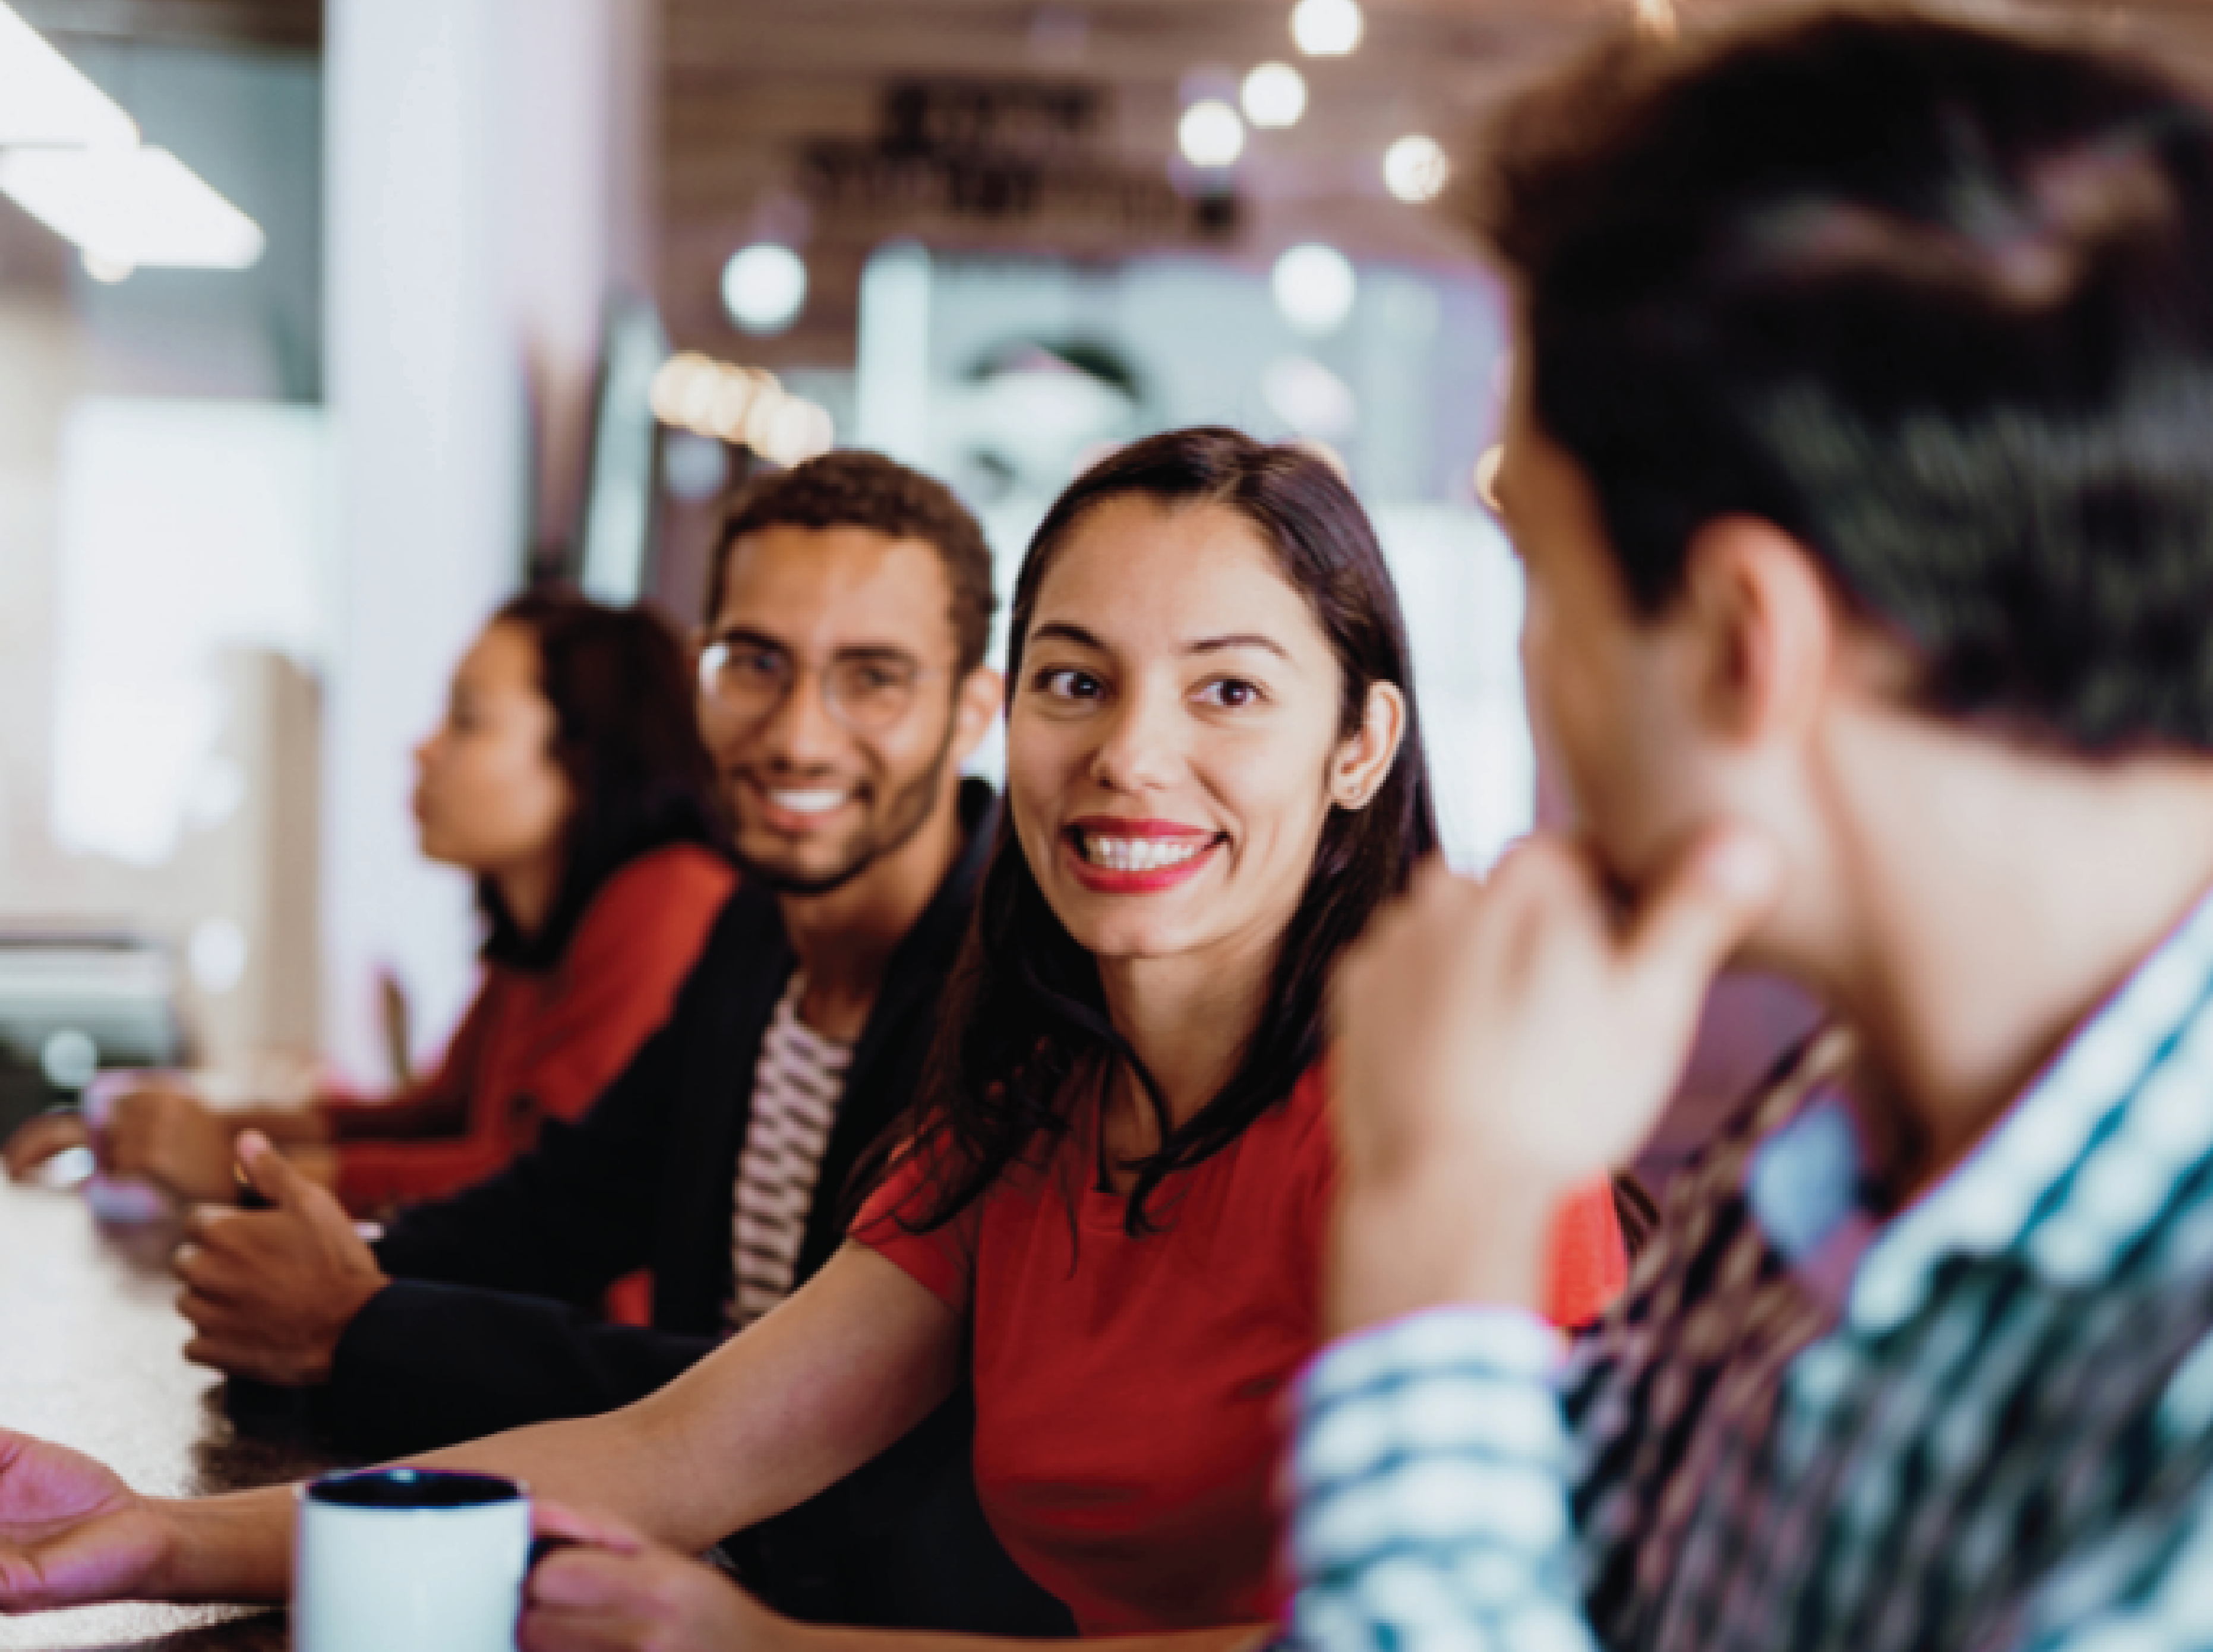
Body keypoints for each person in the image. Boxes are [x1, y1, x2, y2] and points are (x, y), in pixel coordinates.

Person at [0, 428, 1626, 1650]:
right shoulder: (1028, 1106)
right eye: (1077, 679)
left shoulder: (1451, 1135)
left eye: (1226, 693)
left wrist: (773, 1650)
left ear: (1360, 744)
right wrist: (151, 1533)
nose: (1129, 754)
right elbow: (663, 1452)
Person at [1291, 12, 2213, 1652]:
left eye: (1544, 582)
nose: (1532, 664)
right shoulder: (1823, 1140)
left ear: (1737, 639)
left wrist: (1438, 1240)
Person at [159, 451, 1053, 1633]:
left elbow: (806, 1416)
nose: (795, 734)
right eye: (754, 664)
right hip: (680, 1574)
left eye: (871, 678)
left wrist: (358, 1321)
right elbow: (573, 1197)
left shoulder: (1025, 999)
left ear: (971, 710)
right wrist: (350, 1254)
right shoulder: (752, 927)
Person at [2, 590, 734, 1217]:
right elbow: (433, 1117)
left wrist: (235, 1165)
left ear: (584, 755)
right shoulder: (541, 925)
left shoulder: (668, 898)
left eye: (467, 721)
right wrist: (178, 1133)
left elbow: (535, 1185)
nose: (423, 749)